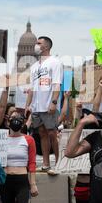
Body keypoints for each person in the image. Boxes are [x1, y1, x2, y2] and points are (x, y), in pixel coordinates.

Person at [25, 36, 63, 174]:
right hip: (36, 107)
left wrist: (54, 102)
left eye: (38, 43)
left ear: (46, 46)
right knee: (42, 134)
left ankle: (59, 163)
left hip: (48, 105)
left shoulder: (55, 62)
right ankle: (46, 163)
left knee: (52, 133)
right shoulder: (34, 66)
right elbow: (32, 88)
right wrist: (27, 105)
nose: (36, 45)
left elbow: (57, 84)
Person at [0, 111, 38, 203]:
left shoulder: (29, 139)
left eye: (18, 118)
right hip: (5, 180)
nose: (15, 120)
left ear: (23, 123)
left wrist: (33, 184)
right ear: (8, 121)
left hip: (22, 180)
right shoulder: (1, 138)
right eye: (13, 117)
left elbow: (32, 162)